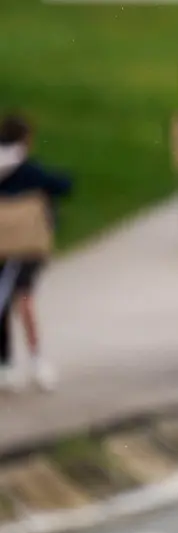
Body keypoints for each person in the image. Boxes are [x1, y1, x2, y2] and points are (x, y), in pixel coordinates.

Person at [0, 113, 72, 392]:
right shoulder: (26, 168)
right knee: (23, 298)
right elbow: (62, 185)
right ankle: (35, 359)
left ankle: (5, 363)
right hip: (24, 243)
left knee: (6, 301)